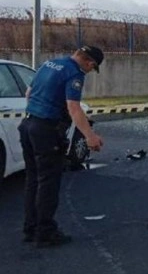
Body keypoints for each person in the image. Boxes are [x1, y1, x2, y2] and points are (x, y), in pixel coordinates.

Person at [19, 45, 105, 248]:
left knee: (33, 179)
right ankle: (46, 232)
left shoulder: (51, 63)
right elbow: (73, 107)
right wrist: (90, 136)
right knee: (48, 182)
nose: (90, 71)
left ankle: (30, 228)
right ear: (89, 63)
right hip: (46, 130)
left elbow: (28, 93)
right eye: (92, 68)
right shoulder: (74, 72)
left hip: (28, 125)